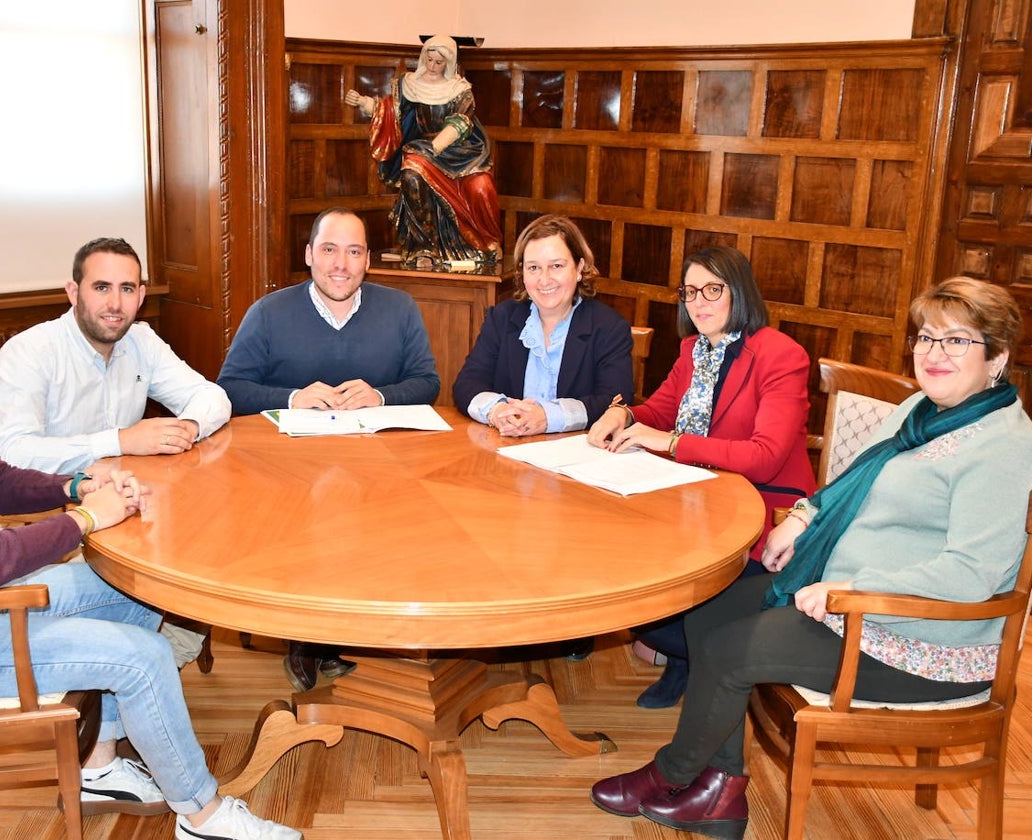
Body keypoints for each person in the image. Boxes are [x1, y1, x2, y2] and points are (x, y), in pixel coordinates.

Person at [0, 247, 300, 840]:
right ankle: (201, 816)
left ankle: (97, 767)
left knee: (137, 592)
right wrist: (84, 517)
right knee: (145, 658)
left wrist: (79, 482)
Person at [590, 276, 1032, 840]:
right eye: (926, 338)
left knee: (730, 649)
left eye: (956, 341)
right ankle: (719, 791)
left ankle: (674, 774)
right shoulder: (924, 409)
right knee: (710, 609)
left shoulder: (1001, 446)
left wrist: (848, 592)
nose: (933, 354)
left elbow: (973, 574)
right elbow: (852, 483)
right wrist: (801, 518)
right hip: (854, 599)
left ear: (996, 357)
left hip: (920, 640)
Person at [217, 207, 440, 689]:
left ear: (368, 261)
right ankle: (305, 636)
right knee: (311, 531)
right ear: (309, 255)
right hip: (286, 476)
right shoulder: (270, 313)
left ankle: (367, 624)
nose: (341, 263)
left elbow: (428, 382)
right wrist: (293, 399)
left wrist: (381, 394)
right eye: (329, 249)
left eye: (354, 251)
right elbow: (230, 388)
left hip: (380, 471)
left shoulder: (400, 308)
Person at [587, 246, 815, 708]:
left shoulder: (780, 355)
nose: (700, 302)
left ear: (740, 292)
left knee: (673, 614)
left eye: (713, 289)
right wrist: (623, 413)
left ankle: (690, 662)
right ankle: (683, 659)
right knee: (622, 572)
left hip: (761, 510)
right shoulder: (694, 349)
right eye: (690, 292)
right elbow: (661, 409)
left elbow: (765, 456)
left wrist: (670, 443)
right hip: (690, 499)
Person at [0, 236, 231, 669]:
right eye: (101, 287)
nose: (114, 303)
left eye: (127, 289)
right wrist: (120, 440)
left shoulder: (141, 341)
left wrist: (190, 426)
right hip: (54, 515)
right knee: (176, 587)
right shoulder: (31, 351)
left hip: (134, 512)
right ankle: (119, 671)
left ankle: (131, 671)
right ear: (73, 292)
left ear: (141, 296)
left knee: (210, 549)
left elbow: (213, 398)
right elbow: (13, 453)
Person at [452, 214, 634, 437]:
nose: (544, 280)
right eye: (534, 268)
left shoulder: (609, 327)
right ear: (522, 273)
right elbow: (467, 383)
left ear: (579, 268)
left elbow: (615, 401)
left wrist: (549, 417)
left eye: (556, 266)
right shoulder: (502, 317)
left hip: (574, 454)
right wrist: (498, 411)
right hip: (508, 449)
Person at [345, 35, 501, 265]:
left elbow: (459, 124)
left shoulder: (460, 90)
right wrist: (363, 103)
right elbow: (390, 111)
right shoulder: (409, 85)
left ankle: (484, 243)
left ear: (448, 63)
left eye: (439, 62)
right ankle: (423, 247)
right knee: (411, 174)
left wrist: (435, 147)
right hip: (422, 149)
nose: (432, 66)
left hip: (460, 153)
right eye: (429, 59)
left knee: (481, 187)